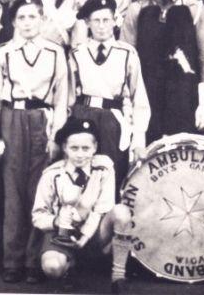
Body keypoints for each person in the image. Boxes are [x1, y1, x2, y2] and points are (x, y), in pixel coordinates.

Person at [0, 0, 69, 284]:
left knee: (39, 192)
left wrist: (57, 136)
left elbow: (61, 99)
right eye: (21, 17)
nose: (27, 22)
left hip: (41, 120)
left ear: (43, 19)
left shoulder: (55, 52)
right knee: (13, 193)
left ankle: (34, 261)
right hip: (12, 118)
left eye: (33, 16)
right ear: (13, 22)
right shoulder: (4, 51)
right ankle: (12, 261)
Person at [121, 0, 204, 142]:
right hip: (146, 97)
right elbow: (126, 59)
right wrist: (127, 104)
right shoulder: (137, 9)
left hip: (184, 96)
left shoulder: (195, 8)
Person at [31, 117, 133, 291]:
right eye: (74, 148)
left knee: (121, 212)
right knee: (52, 268)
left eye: (86, 148)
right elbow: (38, 216)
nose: (80, 154)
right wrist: (56, 221)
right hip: (61, 235)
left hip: (93, 233)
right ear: (64, 148)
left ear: (95, 148)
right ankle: (68, 268)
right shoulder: (52, 175)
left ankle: (118, 277)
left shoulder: (104, 168)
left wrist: (85, 236)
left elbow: (103, 208)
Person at [69, 0, 150, 183]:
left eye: (106, 20)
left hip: (112, 120)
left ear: (115, 21)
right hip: (83, 115)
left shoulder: (126, 53)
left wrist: (138, 140)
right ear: (88, 23)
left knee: (112, 175)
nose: (101, 26)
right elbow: (70, 96)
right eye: (96, 20)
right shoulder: (77, 54)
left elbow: (139, 98)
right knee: (82, 176)